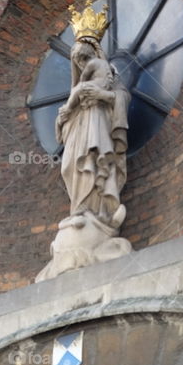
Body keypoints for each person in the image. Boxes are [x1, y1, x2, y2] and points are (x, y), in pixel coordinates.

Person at [55, 38, 130, 231]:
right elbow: (68, 110)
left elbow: (122, 97)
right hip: (78, 134)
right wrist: (63, 118)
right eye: (76, 62)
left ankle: (101, 212)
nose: (81, 64)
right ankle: (79, 210)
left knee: (97, 160)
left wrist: (102, 95)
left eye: (82, 59)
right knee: (68, 167)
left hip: (98, 126)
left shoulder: (108, 75)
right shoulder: (79, 87)